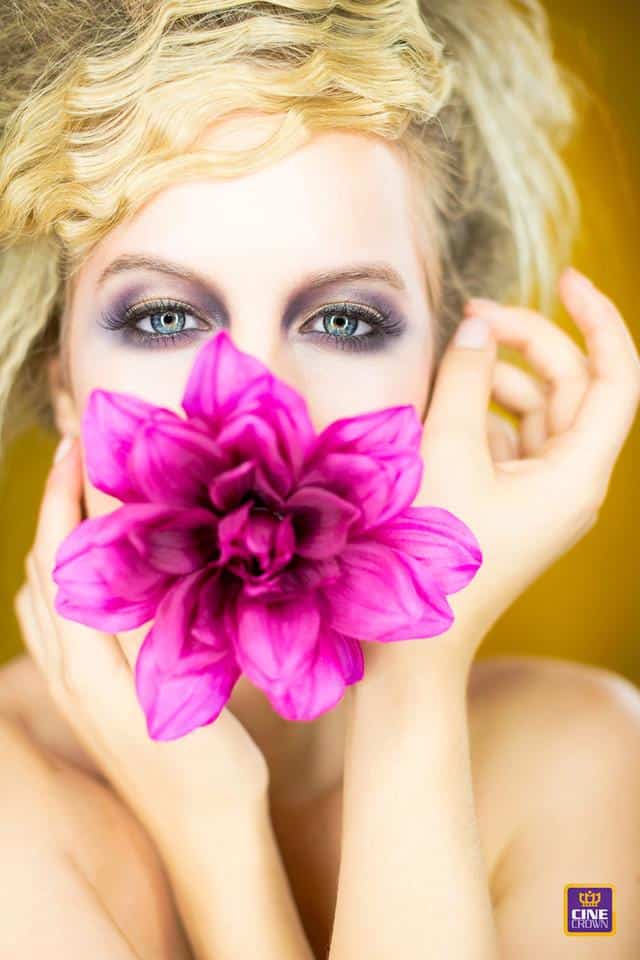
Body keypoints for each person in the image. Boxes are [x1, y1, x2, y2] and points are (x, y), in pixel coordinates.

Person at [0, 2, 639, 958]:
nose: (259, 400)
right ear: (60, 379)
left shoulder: (589, 757)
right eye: (165, 317)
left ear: (446, 374)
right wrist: (210, 823)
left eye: (344, 322)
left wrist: (412, 671)